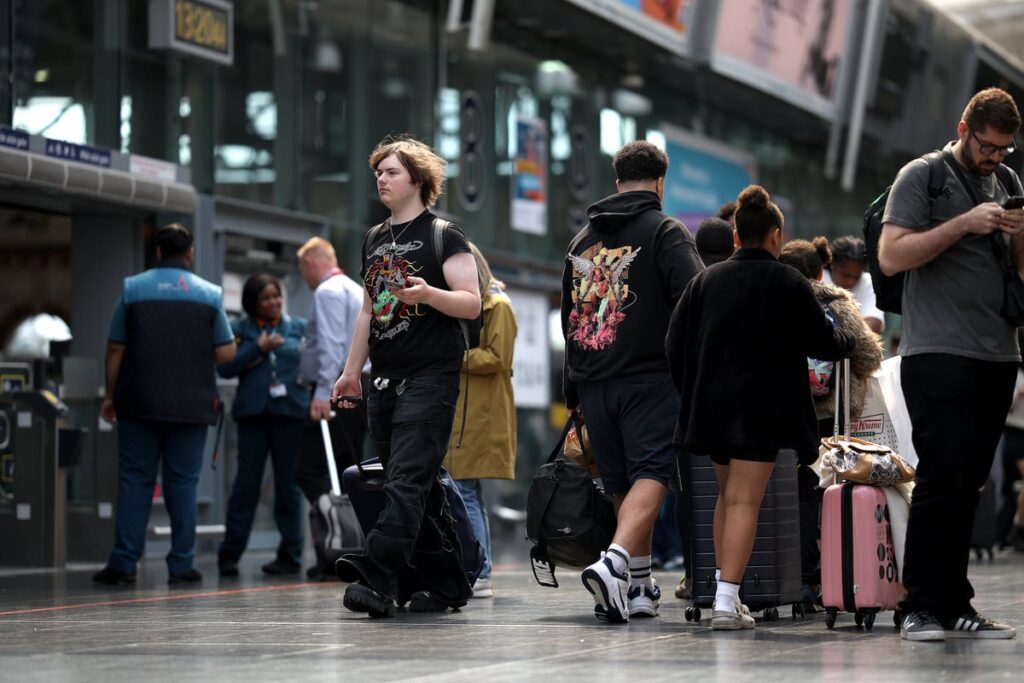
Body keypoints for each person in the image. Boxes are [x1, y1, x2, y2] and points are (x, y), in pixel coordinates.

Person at [667, 185, 853, 631]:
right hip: (760, 412)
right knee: (744, 500)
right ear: (775, 235)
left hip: (711, 410)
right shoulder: (789, 282)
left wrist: (693, 389)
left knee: (726, 497)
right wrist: (849, 338)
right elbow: (823, 342)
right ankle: (726, 603)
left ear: (735, 235)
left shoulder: (704, 281)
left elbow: (673, 344)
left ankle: (724, 594)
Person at [879, 87, 1024, 641]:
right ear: (964, 129)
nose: (994, 158)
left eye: (1004, 149)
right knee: (941, 478)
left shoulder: (1007, 182)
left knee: (969, 485)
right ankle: (917, 604)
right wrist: (964, 223)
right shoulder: (923, 176)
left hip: (998, 352)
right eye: (987, 147)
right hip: (938, 351)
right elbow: (892, 255)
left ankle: (956, 602)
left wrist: (1018, 235)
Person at [332, 137, 481, 617]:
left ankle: (376, 574)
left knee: (406, 481)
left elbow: (471, 302)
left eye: (392, 171)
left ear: (417, 180)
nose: (381, 178)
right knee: (418, 484)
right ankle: (449, 583)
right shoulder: (374, 237)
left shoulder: (444, 234)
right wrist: (351, 373)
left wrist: (428, 294)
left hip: (431, 376)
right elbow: (368, 310)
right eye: (378, 172)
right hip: (384, 378)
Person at [561, 140, 703, 624]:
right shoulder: (665, 230)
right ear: (660, 183)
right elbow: (695, 301)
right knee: (654, 473)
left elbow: (569, 318)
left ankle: (639, 586)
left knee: (621, 478)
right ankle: (615, 561)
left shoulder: (581, 241)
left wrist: (572, 391)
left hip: (592, 380)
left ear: (617, 180)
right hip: (650, 377)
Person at [93, 224, 236, 586]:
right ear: (190, 254)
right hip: (191, 404)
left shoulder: (132, 289)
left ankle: (124, 563)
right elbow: (226, 351)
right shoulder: (209, 294)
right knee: (183, 484)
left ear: (157, 252)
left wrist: (110, 394)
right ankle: (182, 564)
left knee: (134, 480)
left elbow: (115, 348)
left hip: (138, 401)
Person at [778, 237, 883, 610]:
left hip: (778, 413)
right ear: (820, 272)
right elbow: (868, 355)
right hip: (827, 416)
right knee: (822, 491)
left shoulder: (768, 298)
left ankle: (789, 577)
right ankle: (822, 577)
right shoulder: (837, 302)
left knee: (787, 493)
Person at [216, 274, 308, 578]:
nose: (273, 302)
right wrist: (258, 348)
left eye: (276, 296)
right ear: (252, 303)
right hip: (253, 417)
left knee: (288, 488)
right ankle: (230, 554)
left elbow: (314, 365)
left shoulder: (298, 327)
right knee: (246, 486)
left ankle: (290, 555)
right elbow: (225, 367)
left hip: (290, 415)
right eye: (265, 298)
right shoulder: (238, 330)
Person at [443, 242, 518, 599]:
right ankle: (478, 569)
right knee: (467, 491)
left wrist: (451, 356)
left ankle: (480, 571)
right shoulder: (469, 306)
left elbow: (498, 357)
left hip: (481, 413)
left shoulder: (497, 305)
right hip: (466, 411)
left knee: (465, 491)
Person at [295, 236, 366, 581]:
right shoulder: (353, 289)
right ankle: (346, 548)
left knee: (307, 469)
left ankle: (338, 537)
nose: (303, 276)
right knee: (344, 471)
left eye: (302, 268)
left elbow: (333, 346)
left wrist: (323, 392)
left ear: (310, 262)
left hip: (338, 390)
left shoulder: (327, 291)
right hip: (358, 390)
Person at [823, 236, 885, 334]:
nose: (850, 282)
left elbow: (875, 325)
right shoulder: (817, 278)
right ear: (832, 264)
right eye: (845, 275)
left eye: (856, 277)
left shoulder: (868, 282)